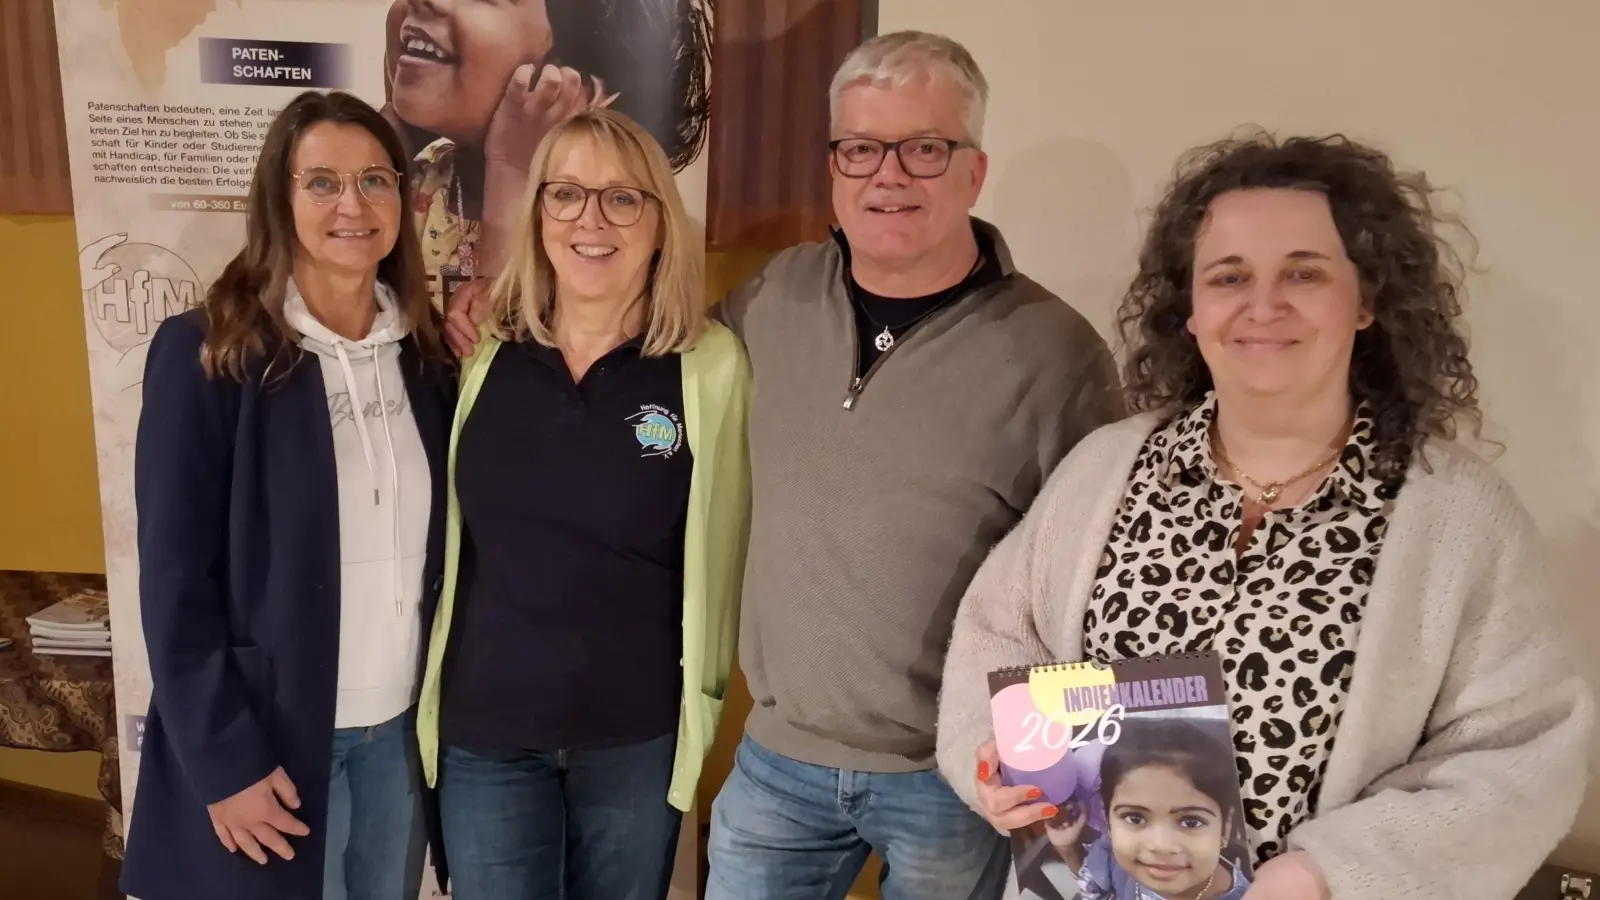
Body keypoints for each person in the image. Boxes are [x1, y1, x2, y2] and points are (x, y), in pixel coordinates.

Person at [937, 131, 1595, 900]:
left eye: (1304, 272)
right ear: (1191, 310)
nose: (1263, 304)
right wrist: (997, 757)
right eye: (1229, 276)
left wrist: (1329, 872)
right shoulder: (1104, 471)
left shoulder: (1457, 519)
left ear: (1366, 301)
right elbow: (997, 631)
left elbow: (1519, 756)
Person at [121, 90, 456, 900]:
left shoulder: (426, 353)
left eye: (376, 180)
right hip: (270, 745)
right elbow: (174, 581)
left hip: (402, 743)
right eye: (322, 182)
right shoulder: (208, 353)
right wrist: (224, 760)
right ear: (280, 196)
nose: (354, 204)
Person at [414, 107, 751, 900]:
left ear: (660, 224)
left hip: (632, 739)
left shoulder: (710, 367)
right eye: (565, 195)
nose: (590, 220)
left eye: (622, 199)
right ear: (536, 217)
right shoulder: (481, 349)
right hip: (487, 736)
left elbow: (728, 548)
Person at [380, 0, 712, 308]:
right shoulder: (413, 181)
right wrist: (388, 134)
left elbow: (502, 350)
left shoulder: (596, 227)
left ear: (576, 84)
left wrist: (512, 173)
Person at [1020, 717, 1251, 900]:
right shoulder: (1111, 854)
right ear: (1107, 818)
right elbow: (1098, 890)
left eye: (1190, 821)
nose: (1160, 845)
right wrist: (1068, 848)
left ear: (1225, 828)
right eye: (1135, 818)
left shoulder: (1255, 895)